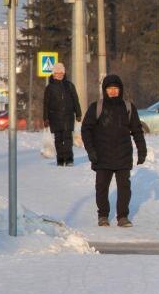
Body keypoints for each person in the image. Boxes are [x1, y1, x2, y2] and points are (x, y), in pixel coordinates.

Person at [81, 74, 146, 227]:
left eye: (115, 89)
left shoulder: (128, 107)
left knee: (124, 187)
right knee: (102, 186)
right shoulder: (96, 107)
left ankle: (122, 216)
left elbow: (137, 130)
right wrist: (90, 150)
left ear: (120, 90)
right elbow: (86, 130)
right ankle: (103, 215)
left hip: (123, 155)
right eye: (109, 89)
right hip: (102, 155)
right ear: (105, 90)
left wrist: (142, 150)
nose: (112, 92)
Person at [43, 62, 82, 166]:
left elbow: (75, 100)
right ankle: (60, 159)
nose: (59, 75)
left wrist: (78, 113)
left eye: (61, 73)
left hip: (68, 116)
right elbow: (45, 104)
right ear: (53, 74)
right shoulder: (49, 88)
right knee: (58, 139)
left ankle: (69, 159)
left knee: (68, 138)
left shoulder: (70, 86)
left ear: (64, 73)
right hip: (54, 117)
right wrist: (45, 118)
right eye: (57, 73)